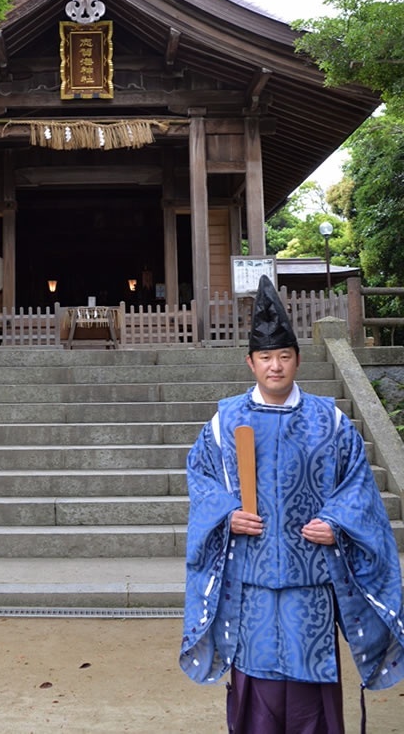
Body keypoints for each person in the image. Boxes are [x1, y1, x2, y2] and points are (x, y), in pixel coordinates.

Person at [179, 275, 404, 734]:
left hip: (311, 583)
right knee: (257, 691)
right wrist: (226, 515)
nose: (275, 366)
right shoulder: (225, 421)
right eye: (266, 357)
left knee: (310, 691)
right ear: (251, 362)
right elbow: (201, 478)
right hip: (252, 581)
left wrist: (337, 522)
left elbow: (357, 485)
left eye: (284, 356)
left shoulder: (330, 420)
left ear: (297, 359)